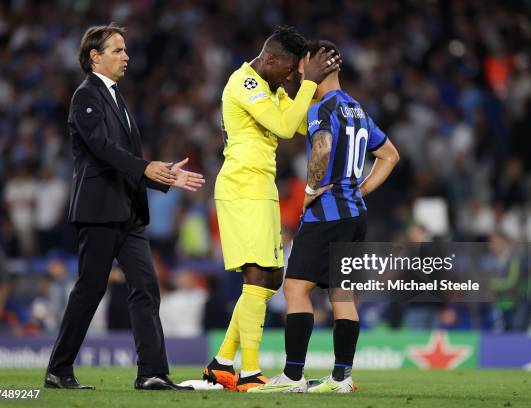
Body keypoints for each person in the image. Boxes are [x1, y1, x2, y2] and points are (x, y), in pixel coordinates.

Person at [44, 23, 204, 391]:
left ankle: (152, 372)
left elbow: (127, 160)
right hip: (99, 212)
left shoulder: (118, 99)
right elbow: (102, 149)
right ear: (94, 57)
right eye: (117, 50)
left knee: (146, 287)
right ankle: (59, 369)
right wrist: (146, 167)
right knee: (90, 290)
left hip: (128, 213)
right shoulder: (85, 95)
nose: (126, 56)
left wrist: (160, 176)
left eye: (126, 49)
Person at [250, 40, 399, 394]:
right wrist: (360, 189)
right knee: (343, 296)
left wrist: (311, 189)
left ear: (312, 66)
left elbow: (323, 147)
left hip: (326, 213)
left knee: (296, 288)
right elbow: (390, 156)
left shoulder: (322, 108)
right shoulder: (357, 109)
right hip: (354, 214)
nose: (298, 70)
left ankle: (292, 376)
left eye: (301, 64)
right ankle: (341, 379)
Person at [203, 26, 340, 392]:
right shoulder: (245, 83)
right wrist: (309, 84)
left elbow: (295, 125)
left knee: (272, 278)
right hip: (241, 185)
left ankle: (221, 362)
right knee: (257, 275)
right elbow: (281, 125)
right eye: (291, 70)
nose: (293, 77)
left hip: (261, 187)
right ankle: (248, 373)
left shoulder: (271, 87)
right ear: (271, 58)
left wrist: (323, 92)